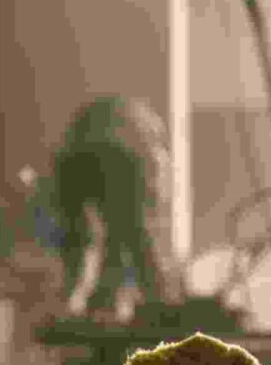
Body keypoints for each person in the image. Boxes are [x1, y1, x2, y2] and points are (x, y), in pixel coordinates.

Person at [40, 94, 178, 319]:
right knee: (135, 237)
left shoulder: (133, 149)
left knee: (124, 236)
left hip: (100, 147)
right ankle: (152, 306)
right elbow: (132, 237)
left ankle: (104, 302)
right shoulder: (144, 155)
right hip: (115, 148)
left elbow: (85, 238)